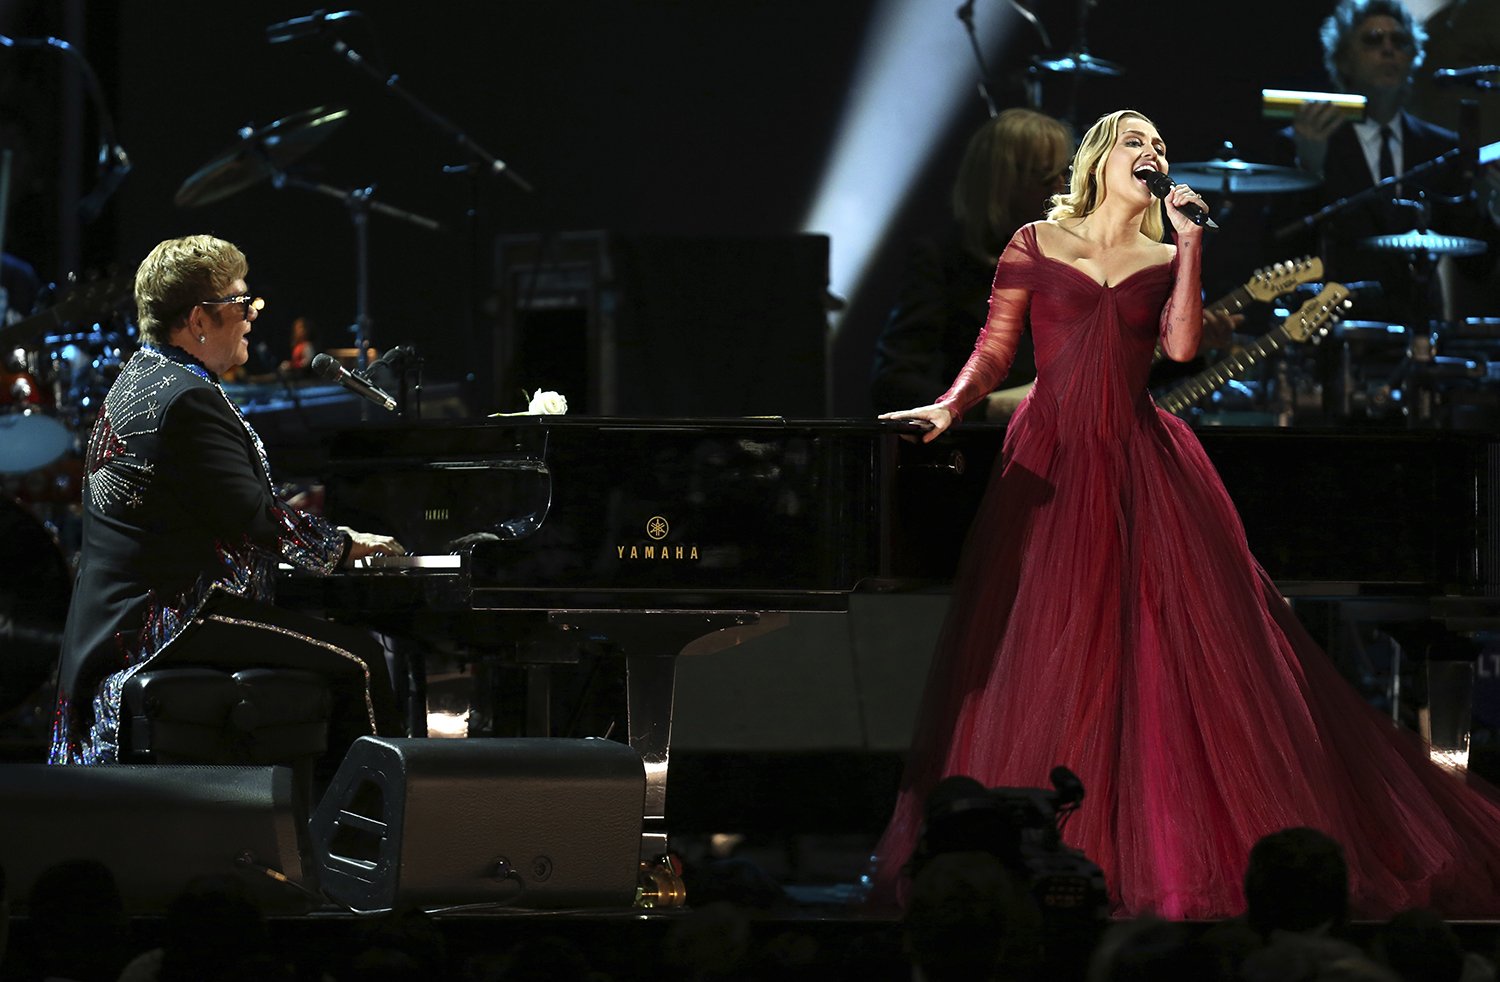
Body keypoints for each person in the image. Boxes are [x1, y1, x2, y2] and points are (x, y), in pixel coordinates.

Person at [869, 108, 1500, 920]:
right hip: (1052, 462)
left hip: (1141, 464)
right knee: (1053, 647)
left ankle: (1154, 851)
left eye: (1161, 145)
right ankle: (1043, 849)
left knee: (1160, 656)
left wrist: (1192, 243)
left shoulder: (1167, 253)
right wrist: (951, 410)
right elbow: (994, 350)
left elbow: (1178, 352)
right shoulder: (1035, 241)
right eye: (1136, 142)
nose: (1152, 153)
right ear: (1099, 158)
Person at [49, 234, 405, 766]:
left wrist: (290, 514)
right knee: (359, 657)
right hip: (166, 620)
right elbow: (253, 519)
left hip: (125, 618)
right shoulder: (187, 399)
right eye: (241, 303)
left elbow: (203, 502)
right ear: (198, 319)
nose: (251, 315)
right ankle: (366, 834)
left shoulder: (145, 380)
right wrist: (343, 543)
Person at [1278, 0, 1497, 327]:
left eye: (1400, 41)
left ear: (1413, 58)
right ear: (1344, 59)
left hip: (1418, 334)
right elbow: (1281, 249)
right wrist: (1311, 167)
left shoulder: (1440, 147)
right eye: (1372, 40)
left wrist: (1497, 207)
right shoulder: (1306, 139)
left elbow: (1476, 266)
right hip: (1334, 332)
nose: (1388, 49)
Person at [870, 108, 1073, 421]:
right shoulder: (943, 259)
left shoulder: (1069, 257)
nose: (1061, 191)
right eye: (1046, 177)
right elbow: (893, 382)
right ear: (1005, 183)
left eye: (1065, 175)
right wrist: (992, 408)